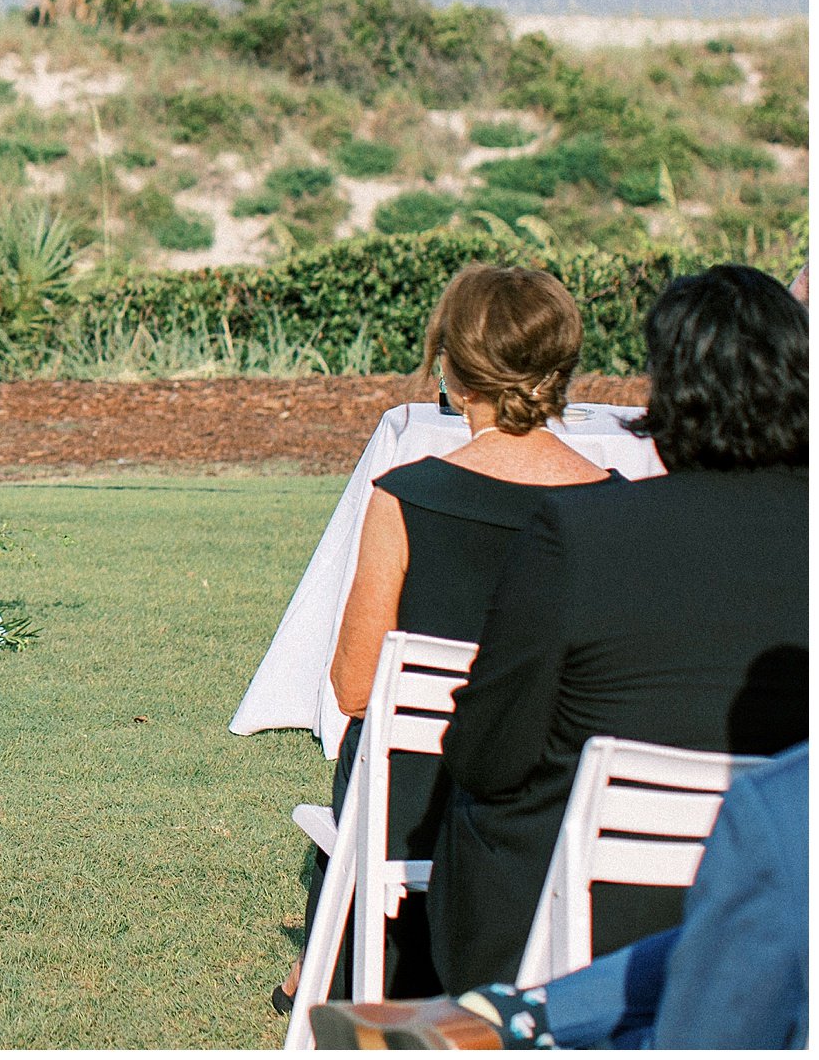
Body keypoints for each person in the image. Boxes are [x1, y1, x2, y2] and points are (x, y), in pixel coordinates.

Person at [429, 265, 809, 992]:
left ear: (670, 389)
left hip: (577, 932)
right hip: (784, 913)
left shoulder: (579, 534)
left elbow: (486, 756)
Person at [280, 267, 613, 1011]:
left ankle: (343, 966)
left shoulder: (406, 498)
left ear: (456, 373)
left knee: (370, 750)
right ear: (561, 369)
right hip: (559, 795)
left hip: (422, 804)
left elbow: (355, 687)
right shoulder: (619, 509)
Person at [310, 743, 807, 1049]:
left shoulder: (780, 806)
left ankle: (508, 1018)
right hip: (702, 886)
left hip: (547, 878)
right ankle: (507, 1014)